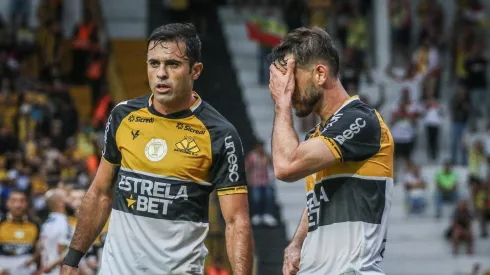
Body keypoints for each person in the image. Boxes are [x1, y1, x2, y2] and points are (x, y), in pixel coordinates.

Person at [60, 23, 254, 275]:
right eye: (154, 63)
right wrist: (72, 260)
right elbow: (99, 193)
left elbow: (236, 221)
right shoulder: (123, 115)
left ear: (195, 71)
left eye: (172, 64)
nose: (161, 73)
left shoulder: (220, 133)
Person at [268, 27, 394, 275]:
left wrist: (281, 103)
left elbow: (285, 167)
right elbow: (319, 198)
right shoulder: (317, 136)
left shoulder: (361, 120)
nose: (287, 88)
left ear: (320, 74)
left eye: (291, 77)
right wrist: (296, 244)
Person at [0, 189, 40, 275]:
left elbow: (40, 248)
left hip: (27, 267)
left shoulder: (35, 224)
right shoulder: (1, 223)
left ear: (26, 204)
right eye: (14, 201)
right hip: (3, 265)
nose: (18, 205)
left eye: (22, 201)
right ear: (8, 203)